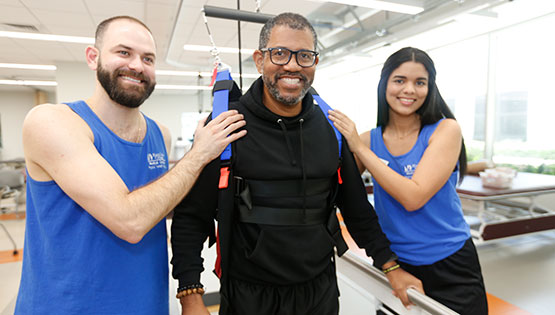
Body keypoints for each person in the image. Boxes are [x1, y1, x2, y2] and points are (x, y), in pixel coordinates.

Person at [171, 13, 423, 315]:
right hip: (249, 296)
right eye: (280, 54)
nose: (292, 65)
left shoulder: (331, 129)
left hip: (319, 292)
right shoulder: (226, 126)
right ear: (260, 59)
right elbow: (191, 216)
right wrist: (190, 293)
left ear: (314, 63)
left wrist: (390, 265)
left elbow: (357, 210)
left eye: (304, 56)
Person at [15, 16, 246, 314]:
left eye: (147, 58)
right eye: (124, 52)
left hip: (147, 304)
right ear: (93, 57)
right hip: (67, 306)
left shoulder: (159, 134)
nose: (137, 65)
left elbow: (162, 204)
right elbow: (131, 221)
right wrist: (198, 154)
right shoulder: (51, 122)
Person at [328, 47, 488, 314]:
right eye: (400, 80)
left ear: (430, 87)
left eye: (420, 82)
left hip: (451, 263)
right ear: (385, 84)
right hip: (396, 264)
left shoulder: (445, 129)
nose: (409, 90)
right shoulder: (369, 140)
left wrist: (359, 148)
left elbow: (413, 197)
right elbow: (339, 193)